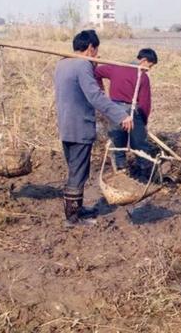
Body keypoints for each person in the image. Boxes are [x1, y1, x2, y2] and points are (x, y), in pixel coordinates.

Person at [54, 30, 132, 225]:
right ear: (90, 48)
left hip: (66, 125)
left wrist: (93, 66)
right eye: (96, 51)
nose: (97, 54)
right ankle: (72, 218)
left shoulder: (62, 64)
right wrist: (121, 115)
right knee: (78, 172)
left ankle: (77, 209)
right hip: (80, 126)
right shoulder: (82, 65)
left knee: (75, 169)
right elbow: (95, 96)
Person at [95, 48, 158, 180]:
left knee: (118, 144)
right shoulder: (143, 77)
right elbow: (145, 102)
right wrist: (143, 121)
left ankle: (121, 174)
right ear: (143, 60)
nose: (148, 70)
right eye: (149, 66)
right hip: (132, 111)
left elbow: (96, 72)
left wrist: (100, 90)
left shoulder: (116, 68)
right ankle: (143, 177)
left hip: (114, 111)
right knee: (139, 145)